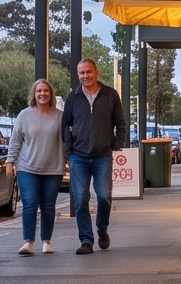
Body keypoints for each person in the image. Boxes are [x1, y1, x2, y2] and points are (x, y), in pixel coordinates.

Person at [61, 58, 126, 255]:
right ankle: (86, 240)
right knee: (80, 199)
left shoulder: (110, 95)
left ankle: (102, 228)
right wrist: (69, 151)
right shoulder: (73, 97)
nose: (85, 76)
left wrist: (116, 144)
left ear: (96, 72)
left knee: (104, 196)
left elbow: (121, 123)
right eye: (81, 73)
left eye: (89, 72)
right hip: (78, 157)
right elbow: (65, 125)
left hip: (102, 156)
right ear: (78, 75)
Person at [10, 78, 65, 256]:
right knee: (30, 204)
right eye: (39, 91)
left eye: (46, 91)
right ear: (34, 94)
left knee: (48, 206)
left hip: (53, 168)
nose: (43, 94)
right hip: (27, 167)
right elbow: (15, 140)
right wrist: (10, 162)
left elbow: (66, 142)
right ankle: (28, 242)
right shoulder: (24, 115)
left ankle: (46, 241)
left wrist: (69, 160)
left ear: (51, 94)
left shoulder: (60, 116)